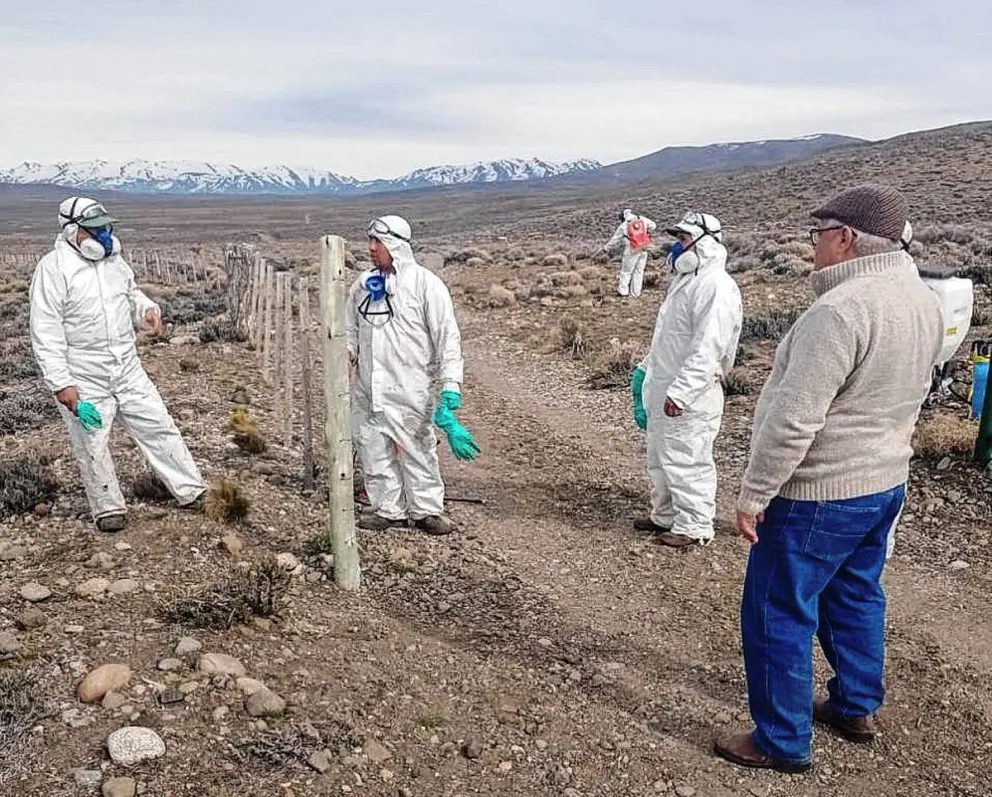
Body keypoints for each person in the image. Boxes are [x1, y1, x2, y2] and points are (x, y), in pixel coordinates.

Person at [714, 185, 944, 773]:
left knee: (778, 610)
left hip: (818, 492)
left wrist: (755, 493)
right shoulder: (920, 298)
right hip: (884, 482)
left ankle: (781, 741)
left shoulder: (840, 310)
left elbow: (794, 419)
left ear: (845, 239)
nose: (813, 245)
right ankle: (855, 705)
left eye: (818, 234)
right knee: (856, 595)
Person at [29, 197, 206, 533]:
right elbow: (45, 331)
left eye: (105, 228)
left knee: (158, 424)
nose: (103, 236)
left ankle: (191, 489)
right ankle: (108, 507)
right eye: (94, 229)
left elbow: (131, 294)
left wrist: (146, 311)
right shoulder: (53, 270)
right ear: (71, 230)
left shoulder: (116, 263)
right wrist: (62, 385)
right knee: (92, 440)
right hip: (84, 373)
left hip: (127, 365)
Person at [346, 215, 479, 535]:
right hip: (368, 386)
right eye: (370, 241)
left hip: (411, 386)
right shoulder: (362, 287)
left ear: (396, 244)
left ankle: (426, 510)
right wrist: (347, 359)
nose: (371, 248)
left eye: (377, 242)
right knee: (372, 447)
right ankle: (387, 508)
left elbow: (447, 336)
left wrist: (450, 385)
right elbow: (349, 330)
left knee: (418, 448)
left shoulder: (425, 284)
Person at [630, 211, 742, 547]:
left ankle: (694, 526)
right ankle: (665, 515)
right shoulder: (686, 281)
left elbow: (709, 347)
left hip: (691, 392)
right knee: (660, 454)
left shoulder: (716, 287)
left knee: (686, 455)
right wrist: (646, 370)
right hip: (665, 381)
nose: (678, 247)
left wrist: (682, 392)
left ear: (705, 242)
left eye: (683, 239)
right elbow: (672, 338)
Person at [603, 208, 657, 297]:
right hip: (644, 247)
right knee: (639, 271)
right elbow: (653, 226)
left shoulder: (624, 225)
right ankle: (635, 293)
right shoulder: (641, 219)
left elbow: (614, 240)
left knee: (626, 271)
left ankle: (623, 292)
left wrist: (606, 248)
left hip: (632, 248)